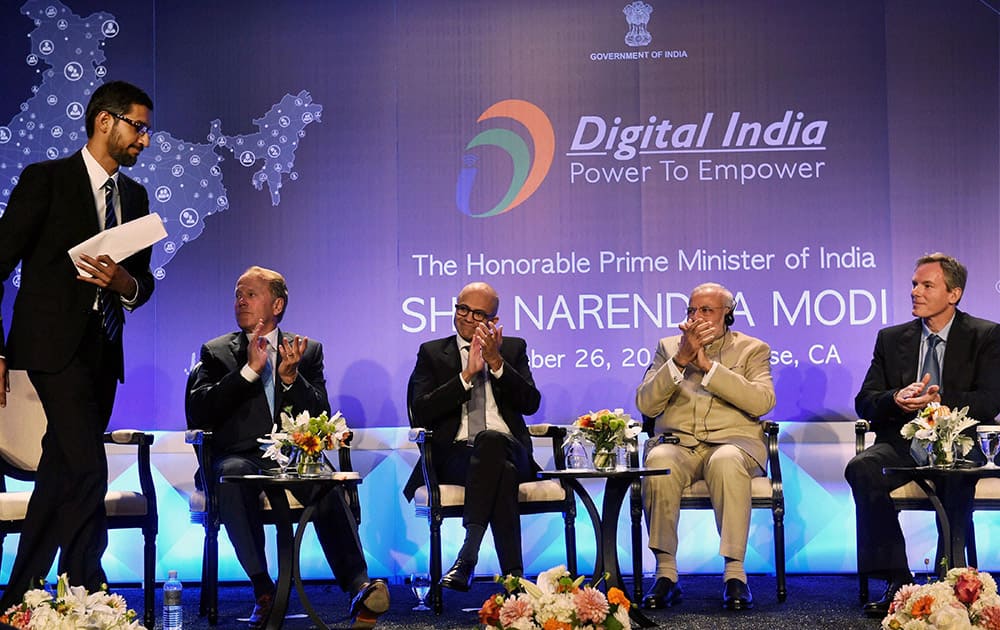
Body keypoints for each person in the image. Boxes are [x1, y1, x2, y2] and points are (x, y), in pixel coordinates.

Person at [0, 81, 156, 608]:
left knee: (60, 471)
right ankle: (85, 590)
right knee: (88, 466)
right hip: (50, 350)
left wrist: (123, 284)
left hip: (103, 351)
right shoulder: (46, 180)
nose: (146, 141)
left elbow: (143, 283)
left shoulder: (134, 197)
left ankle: (21, 596)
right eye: (139, 126)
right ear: (104, 121)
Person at [186, 266, 388, 629]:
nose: (240, 301)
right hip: (237, 457)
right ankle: (263, 589)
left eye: (250, 294)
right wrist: (248, 371)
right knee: (231, 477)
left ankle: (359, 586)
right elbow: (199, 411)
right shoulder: (217, 352)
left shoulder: (306, 351)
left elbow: (322, 412)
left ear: (277, 304)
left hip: (293, 457)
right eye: (237, 294)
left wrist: (292, 379)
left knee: (326, 481)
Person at [847, 253, 1000, 617]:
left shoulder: (985, 335)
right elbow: (865, 402)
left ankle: (948, 583)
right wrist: (896, 399)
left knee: (955, 478)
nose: (915, 291)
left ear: (953, 294)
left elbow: (990, 401)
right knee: (862, 468)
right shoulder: (891, 338)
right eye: (915, 284)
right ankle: (899, 584)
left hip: (957, 443)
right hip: (902, 443)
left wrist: (939, 399)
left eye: (926, 285)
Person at [635, 282, 775, 611]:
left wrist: (710, 368)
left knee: (726, 460)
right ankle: (665, 574)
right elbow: (646, 403)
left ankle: (735, 575)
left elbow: (762, 401)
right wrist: (680, 361)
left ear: (728, 315)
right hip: (679, 445)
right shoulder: (668, 347)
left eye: (706, 311)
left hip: (733, 444)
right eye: (691, 311)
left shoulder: (752, 349)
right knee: (659, 461)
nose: (696, 318)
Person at [403, 281, 541, 590]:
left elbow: (531, 403)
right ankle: (515, 581)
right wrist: (465, 377)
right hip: (457, 456)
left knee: (492, 440)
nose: (466, 317)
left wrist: (496, 363)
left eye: (478, 314)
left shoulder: (513, 349)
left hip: (511, 450)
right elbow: (420, 411)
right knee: (498, 471)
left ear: (493, 321)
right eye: (462, 309)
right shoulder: (432, 353)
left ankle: (467, 555)